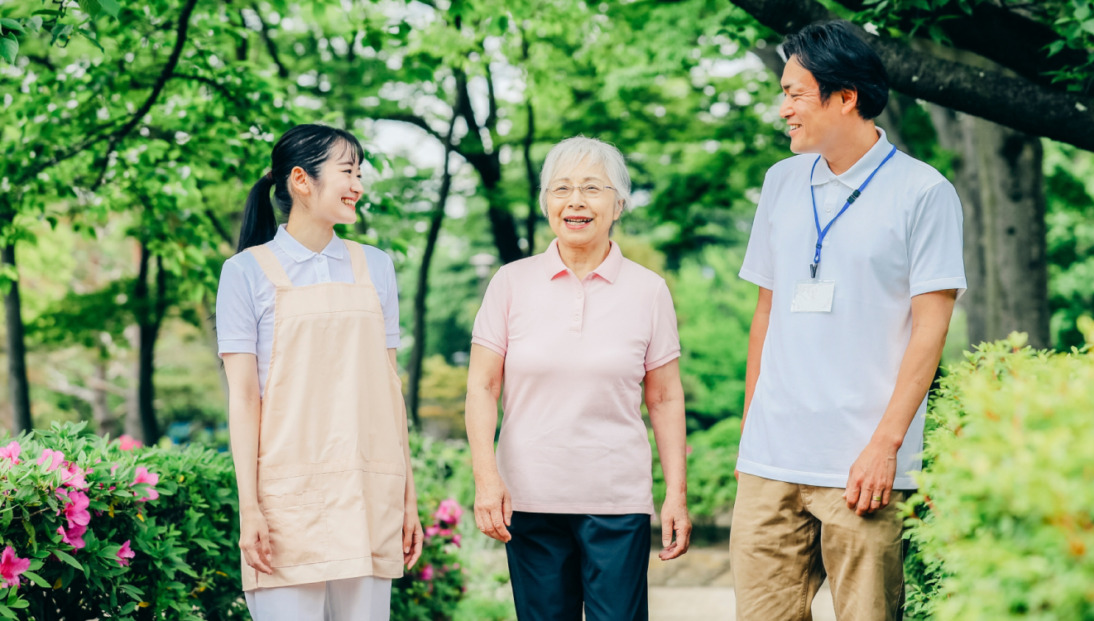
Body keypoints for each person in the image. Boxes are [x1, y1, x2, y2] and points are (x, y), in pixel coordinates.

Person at [730, 21, 967, 621]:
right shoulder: (780, 183)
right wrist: (750, 427)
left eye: (794, 93)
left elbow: (931, 328)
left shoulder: (923, 192)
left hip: (862, 467)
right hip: (770, 462)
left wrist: (885, 447)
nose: (783, 108)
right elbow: (766, 310)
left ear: (845, 97)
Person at [465, 136, 692, 621]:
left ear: (618, 203)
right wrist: (486, 479)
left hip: (616, 498)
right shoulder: (510, 282)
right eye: (561, 188)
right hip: (528, 497)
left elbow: (667, 397)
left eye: (592, 188)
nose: (575, 201)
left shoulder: (649, 291)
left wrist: (676, 493)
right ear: (546, 201)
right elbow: (482, 386)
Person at [216, 124, 422, 620]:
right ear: (301, 181)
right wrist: (251, 509)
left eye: (359, 173)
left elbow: (390, 392)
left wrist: (408, 498)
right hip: (286, 503)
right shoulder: (245, 272)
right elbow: (244, 400)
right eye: (347, 172)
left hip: (369, 494)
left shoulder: (377, 267)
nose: (358, 186)